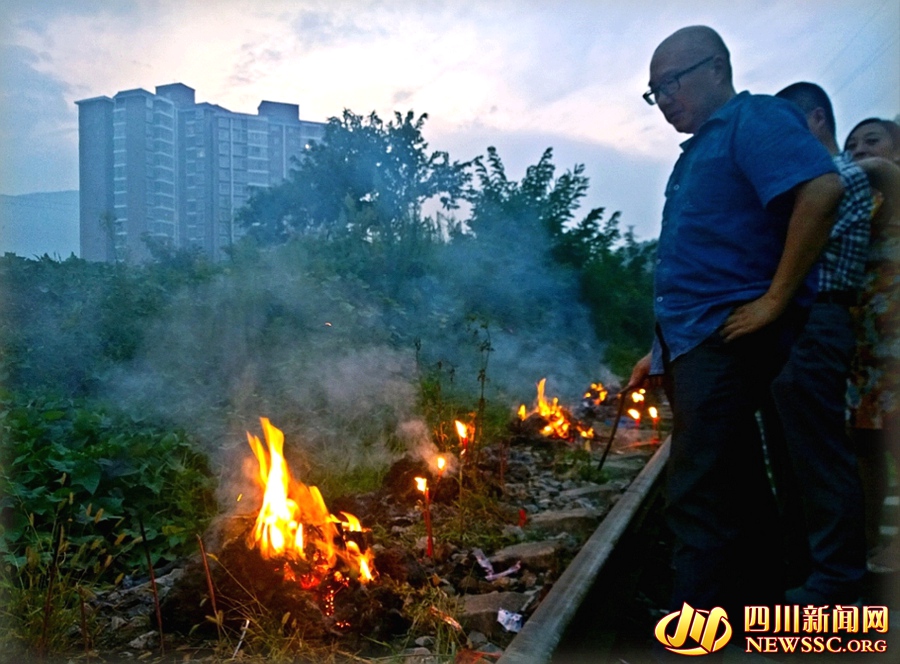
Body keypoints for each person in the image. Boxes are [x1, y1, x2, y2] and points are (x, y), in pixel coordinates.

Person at [629, 26, 844, 620]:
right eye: (654, 92)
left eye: (671, 83)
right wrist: (659, 350)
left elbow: (822, 190)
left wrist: (777, 298)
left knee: (698, 492)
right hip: (696, 343)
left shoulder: (755, 119)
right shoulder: (698, 149)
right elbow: (695, 269)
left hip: (728, 341)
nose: (665, 99)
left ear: (717, 68)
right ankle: (758, 611)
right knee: (738, 482)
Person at [766, 82, 870, 604]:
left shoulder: (839, 177)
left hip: (816, 316)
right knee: (794, 453)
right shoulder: (822, 180)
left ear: (815, 119)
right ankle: (809, 567)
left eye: (787, 127)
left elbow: (793, 249)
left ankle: (836, 582)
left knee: (817, 454)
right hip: (799, 322)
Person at [844, 118, 900, 574]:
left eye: (872, 140)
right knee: (866, 444)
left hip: (896, 340)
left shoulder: (893, 183)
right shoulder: (857, 204)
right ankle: (864, 537)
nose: (860, 150)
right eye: (852, 145)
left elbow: (882, 171)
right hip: (864, 345)